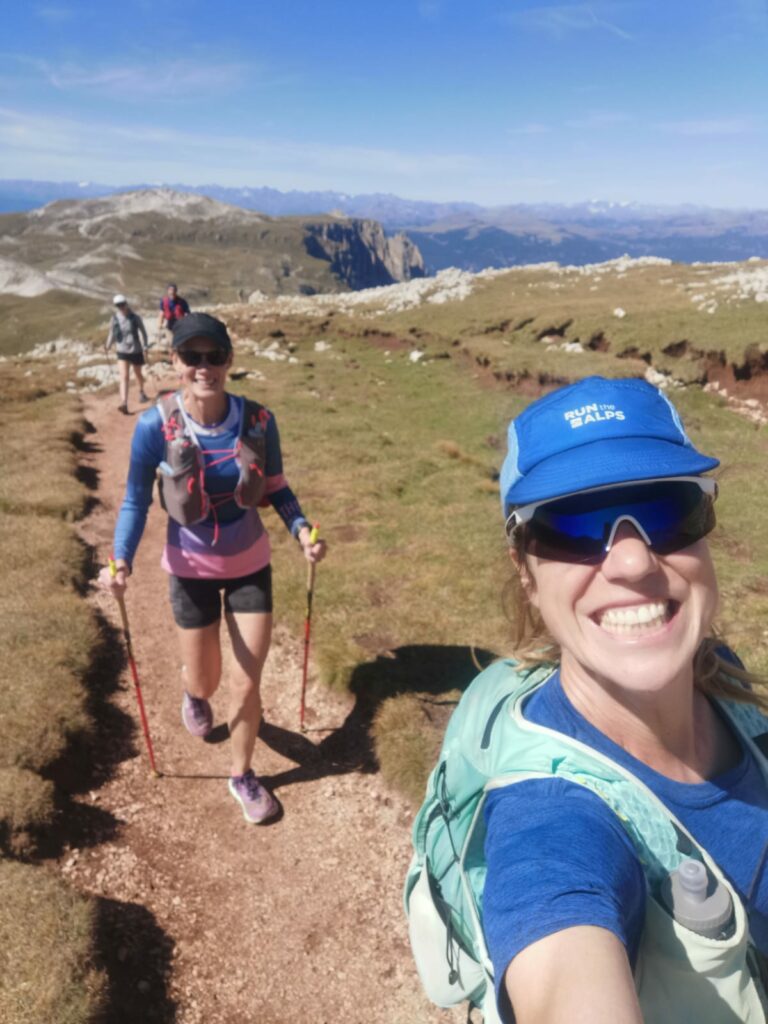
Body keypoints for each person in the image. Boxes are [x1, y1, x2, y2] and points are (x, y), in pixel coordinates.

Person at [412, 376, 768, 1023]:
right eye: (573, 525)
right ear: (524, 570)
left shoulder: (720, 676)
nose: (633, 562)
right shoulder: (551, 822)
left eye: (667, 508)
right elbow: (563, 966)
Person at [99, 312, 327, 824]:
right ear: (174, 361)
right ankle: (194, 691)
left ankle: (242, 774)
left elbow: (276, 488)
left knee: (246, 682)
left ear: (229, 359)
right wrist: (121, 559)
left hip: (250, 566)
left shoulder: (259, 420)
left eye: (215, 355)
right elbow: (135, 500)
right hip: (190, 569)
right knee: (207, 681)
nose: (204, 366)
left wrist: (301, 529)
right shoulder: (154, 426)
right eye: (192, 356)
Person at [106, 294, 150, 414]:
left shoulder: (135, 318)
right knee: (124, 376)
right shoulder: (114, 319)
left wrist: (145, 346)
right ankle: (124, 403)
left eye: (122, 304)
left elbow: (144, 333)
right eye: (118, 305)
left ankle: (141, 391)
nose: (121, 307)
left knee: (138, 374)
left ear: (126, 303)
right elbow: (111, 333)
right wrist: (108, 345)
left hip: (136, 350)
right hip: (122, 351)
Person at [157, 282, 190, 347]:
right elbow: (162, 312)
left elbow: (187, 313)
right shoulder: (164, 301)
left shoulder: (182, 302)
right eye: (170, 290)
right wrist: (160, 323)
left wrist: (187, 325)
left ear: (176, 291)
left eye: (174, 290)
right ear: (168, 291)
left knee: (180, 343)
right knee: (172, 343)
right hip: (169, 325)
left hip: (180, 325)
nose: (172, 292)